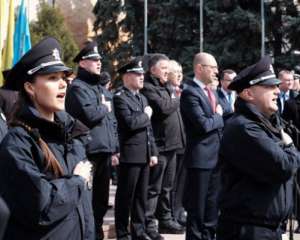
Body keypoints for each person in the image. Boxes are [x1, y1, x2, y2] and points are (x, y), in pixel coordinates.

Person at [0, 37, 94, 240]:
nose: (62, 84)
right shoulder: (18, 143)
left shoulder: (73, 136)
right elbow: (41, 208)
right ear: (30, 87)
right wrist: (77, 181)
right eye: (52, 78)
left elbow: (83, 211)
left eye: (64, 77)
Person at [217, 56, 300, 240]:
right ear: (248, 94)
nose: (277, 91)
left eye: (276, 86)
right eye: (270, 87)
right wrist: (290, 145)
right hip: (248, 230)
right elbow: (284, 166)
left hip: (266, 229)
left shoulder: (266, 124)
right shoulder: (244, 127)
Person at [65, 41, 119, 239]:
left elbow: (110, 122)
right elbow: (90, 115)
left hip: (103, 150)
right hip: (88, 151)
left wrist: (114, 147)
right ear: (82, 63)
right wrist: (104, 107)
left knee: (101, 199)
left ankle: (96, 232)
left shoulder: (95, 88)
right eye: (93, 60)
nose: (98, 63)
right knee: (87, 200)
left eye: (99, 60)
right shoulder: (79, 87)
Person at [113, 59, 158, 240]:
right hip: (130, 154)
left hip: (144, 153)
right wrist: (146, 115)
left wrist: (153, 152)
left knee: (141, 196)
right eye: (138, 74)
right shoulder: (120, 97)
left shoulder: (142, 97)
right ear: (127, 76)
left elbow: (148, 130)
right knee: (126, 196)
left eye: (142, 74)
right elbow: (131, 123)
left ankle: (139, 231)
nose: (142, 77)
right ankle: (123, 233)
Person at [180, 52, 223, 240]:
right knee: (197, 208)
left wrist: (218, 116)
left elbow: (228, 110)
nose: (216, 71)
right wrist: (218, 116)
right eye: (212, 67)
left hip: (216, 158)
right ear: (199, 68)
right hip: (200, 159)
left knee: (212, 207)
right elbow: (203, 125)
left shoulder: (210, 91)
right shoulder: (190, 93)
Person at [141, 53, 185, 238]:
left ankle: (165, 220)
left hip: (173, 145)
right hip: (159, 147)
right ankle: (149, 224)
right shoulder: (148, 88)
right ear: (153, 70)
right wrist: (176, 97)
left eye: (168, 68)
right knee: (154, 188)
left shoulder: (166, 87)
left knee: (167, 187)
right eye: (164, 68)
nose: (167, 72)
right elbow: (164, 108)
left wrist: (173, 96)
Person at [167, 60, 187, 226]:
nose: (180, 75)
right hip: (169, 144)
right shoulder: (167, 92)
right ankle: (169, 216)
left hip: (183, 143)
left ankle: (178, 212)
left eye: (181, 71)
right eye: (176, 72)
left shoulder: (182, 91)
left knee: (180, 184)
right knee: (170, 184)